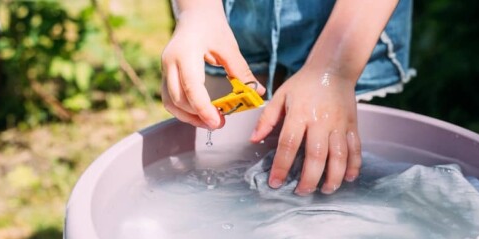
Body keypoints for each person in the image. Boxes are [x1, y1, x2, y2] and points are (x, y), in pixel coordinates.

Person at [160, 0, 414, 196]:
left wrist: (333, 70)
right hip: (229, 17)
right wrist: (196, 12)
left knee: (332, 175)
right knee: (222, 171)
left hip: (352, 25)